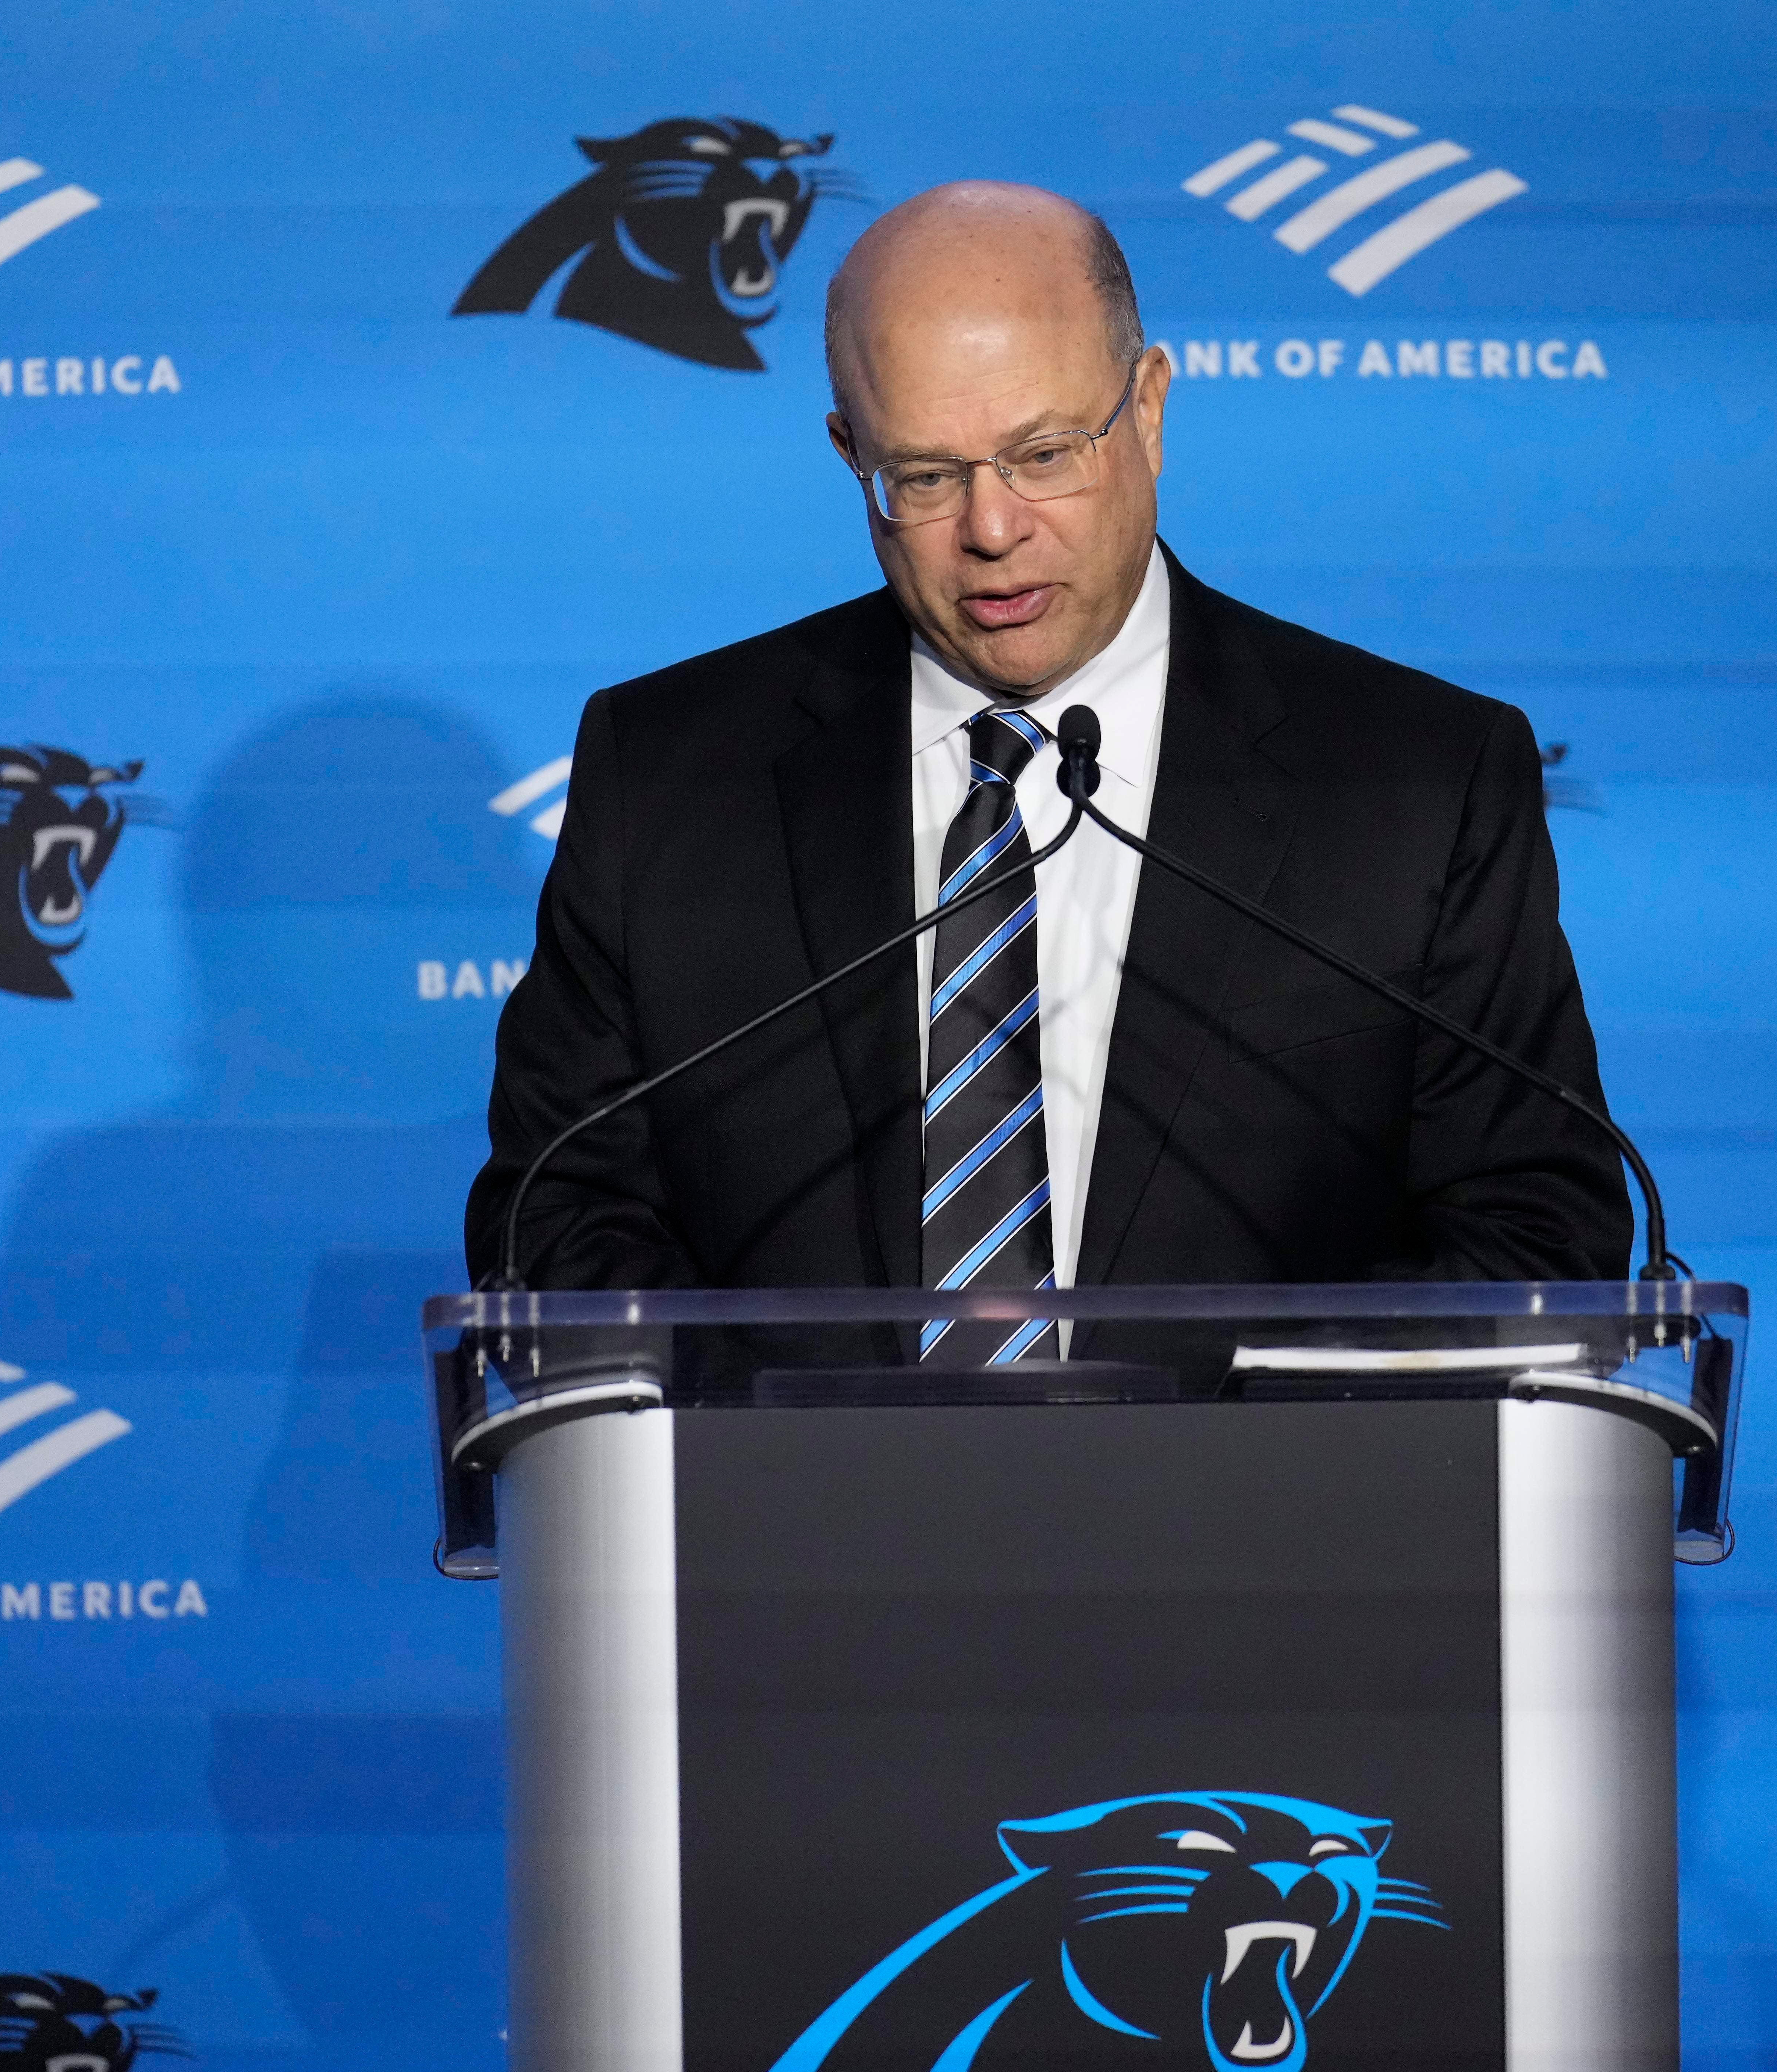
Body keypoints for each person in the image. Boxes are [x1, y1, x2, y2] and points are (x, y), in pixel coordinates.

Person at [467, 181, 1631, 1348]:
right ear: (848, 455)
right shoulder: (671, 775)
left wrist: (1235, 1460)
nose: (991, 528)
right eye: (923, 475)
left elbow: (1533, 1234)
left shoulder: (1415, 782)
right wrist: (793, 1457)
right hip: (797, 1519)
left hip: (1257, 1520)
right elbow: (557, 1215)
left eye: (1043, 453)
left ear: (1152, 409)